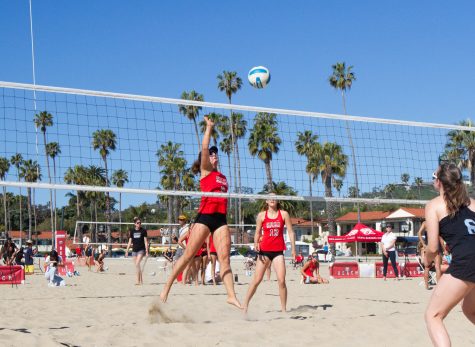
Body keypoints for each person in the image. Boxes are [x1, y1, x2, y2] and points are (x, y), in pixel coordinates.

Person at [160, 115, 241, 309]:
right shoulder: (206, 171)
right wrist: (209, 128)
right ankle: (167, 286)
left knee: (225, 260)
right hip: (204, 218)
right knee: (188, 255)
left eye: (215, 154)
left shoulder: (222, 176)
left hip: (220, 220)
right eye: (211, 154)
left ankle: (231, 295)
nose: (214, 155)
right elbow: (205, 148)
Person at [424, 164, 475, 346]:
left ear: (439, 182)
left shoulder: (434, 205)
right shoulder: (473, 203)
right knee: (470, 310)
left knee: (433, 315)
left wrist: (426, 260)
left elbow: (432, 248)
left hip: (466, 261)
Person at [243, 195, 296, 313]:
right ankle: (245, 304)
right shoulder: (261, 215)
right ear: (266, 201)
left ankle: (283, 309)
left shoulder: (284, 214)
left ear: (278, 200)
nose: (272, 199)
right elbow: (257, 232)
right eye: (269, 198)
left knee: (281, 280)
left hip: (278, 252)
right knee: (257, 280)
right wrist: (255, 242)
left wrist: (293, 249)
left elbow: (291, 232)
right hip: (264, 251)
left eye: (274, 198)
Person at [125, 217, 149, 285]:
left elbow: (145, 241)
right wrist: (127, 251)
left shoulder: (143, 231)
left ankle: (138, 281)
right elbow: (130, 242)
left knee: (137, 263)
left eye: (140, 223)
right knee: (137, 266)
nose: (139, 224)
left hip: (141, 249)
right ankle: (141, 280)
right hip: (134, 250)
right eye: (138, 223)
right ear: (135, 224)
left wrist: (147, 251)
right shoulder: (132, 231)